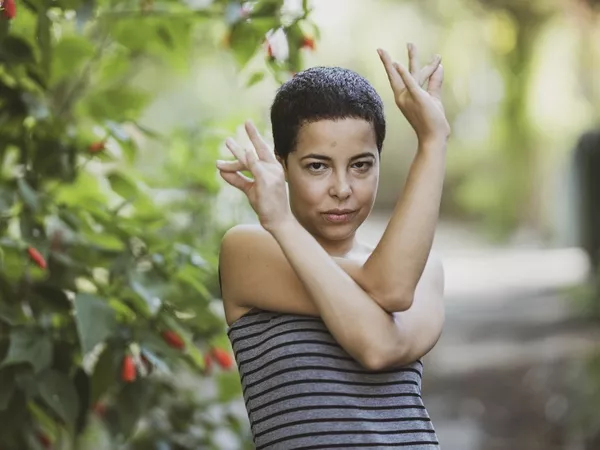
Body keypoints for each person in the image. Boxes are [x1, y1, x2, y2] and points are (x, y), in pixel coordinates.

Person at [217, 43, 448, 449]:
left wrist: (433, 139)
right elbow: (383, 309)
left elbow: (383, 328)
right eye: (317, 166)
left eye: (361, 165)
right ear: (282, 165)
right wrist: (281, 225)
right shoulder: (247, 251)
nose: (342, 189)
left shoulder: (423, 272)